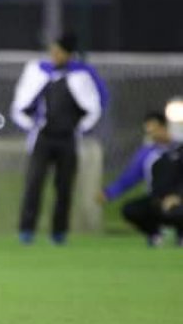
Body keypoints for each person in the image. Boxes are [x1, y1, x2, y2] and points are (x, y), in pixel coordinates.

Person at [11, 33, 108, 245]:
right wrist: (32, 125)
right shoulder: (38, 72)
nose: (54, 55)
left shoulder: (81, 76)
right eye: (53, 51)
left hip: (67, 139)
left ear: (68, 54)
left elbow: (94, 106)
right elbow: (22, 103)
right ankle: (26, 230)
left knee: (64, 187)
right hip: (43, 138)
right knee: (34, 184)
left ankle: (59, 233)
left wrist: (78, 128)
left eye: (59, 52)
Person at [98, 111, 183, 247]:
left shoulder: (179, 149)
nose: (151, 134)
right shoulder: (147, 153)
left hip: (179, 199)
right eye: (148, 130)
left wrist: (178, 196)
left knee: (177, 210)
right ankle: (155, 234)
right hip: (157, 199)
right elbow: (130, 177)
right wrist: (109, 193)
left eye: (154, 129)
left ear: (164, 127)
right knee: (131, 210)